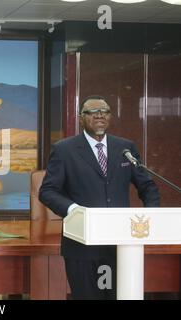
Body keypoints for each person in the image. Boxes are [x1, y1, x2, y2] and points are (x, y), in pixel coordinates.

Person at [39, 95, 160, 300]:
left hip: (121, 245)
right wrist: (73, 210)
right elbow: (48, 191)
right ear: (81, 118)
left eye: (104, 111)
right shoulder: (64, 149)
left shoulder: (125, 148)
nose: (100, 115)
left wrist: (150, 214)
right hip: (82, 246)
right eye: (93, 111)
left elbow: (147, 186)